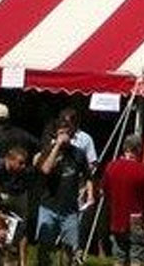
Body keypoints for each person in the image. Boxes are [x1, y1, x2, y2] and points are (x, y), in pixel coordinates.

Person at [36, 112, 92, 266]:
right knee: (45, 246)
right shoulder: (48, 150)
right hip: (48, 206)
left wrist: (90, 195)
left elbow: (87, 175)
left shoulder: (78, 154)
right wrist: (57, 147)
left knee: (70, 248)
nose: (64, 136)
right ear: (56, 134)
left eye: (67, 133)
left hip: (69, 208)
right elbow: (45, 169)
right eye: (61, 133)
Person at [103, 134, 144, 264]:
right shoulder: (143, 170)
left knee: (119, 255)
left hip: (116, 216)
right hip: (136, 217)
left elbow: (105, 192)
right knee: (137, 255)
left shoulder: (111, 167)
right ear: (139, 149)